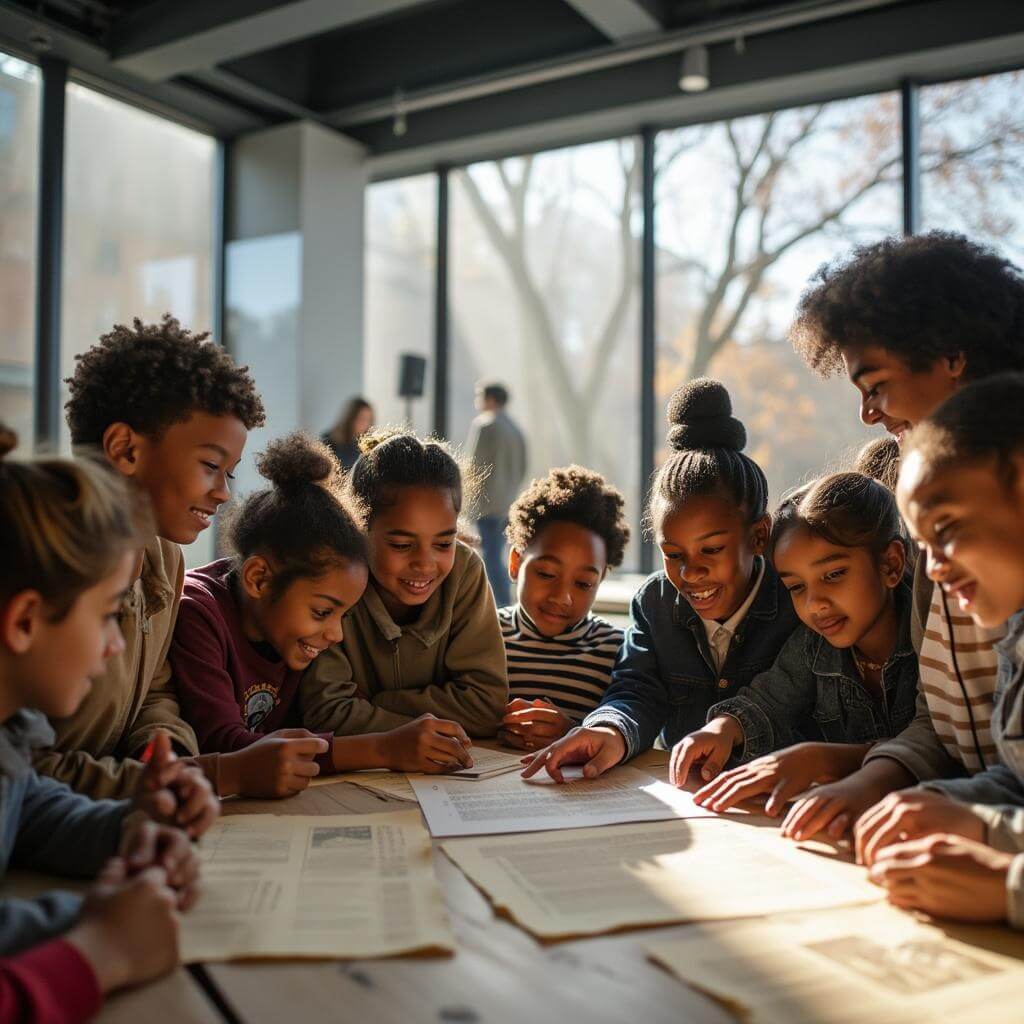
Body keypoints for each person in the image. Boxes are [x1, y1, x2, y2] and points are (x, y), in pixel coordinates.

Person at [786, 231, 1024, 835]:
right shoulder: (931, 540)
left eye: (876, 385)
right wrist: (876, 778)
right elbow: (942, 722)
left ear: (949, 354)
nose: (868, 414)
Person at [0, 429, 202, 1020]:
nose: (117, 645)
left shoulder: (10, 731)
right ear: (26, 621)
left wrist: (127, 829)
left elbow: (27, 808)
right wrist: (101, 934)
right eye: (110, 614)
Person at [173, 432, 500, 790]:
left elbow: (486, 703)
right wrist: (381, 748)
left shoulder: (301, 615)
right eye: (322, 612)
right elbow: (230, 748)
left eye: (443, 542)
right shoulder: (204, 611)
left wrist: (377, 712)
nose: (336, 635)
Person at [36, 314, 264, 821]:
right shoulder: (49, 564)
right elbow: (22, 769)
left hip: (116, 814)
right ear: (126, 450)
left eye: (229, 473)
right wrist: (178, 780)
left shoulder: (165, 558)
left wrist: (167, 759)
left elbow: (157, 691)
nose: (224, 491)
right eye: (210, 465)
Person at [522, 379, 799, 783]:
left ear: (758, 536)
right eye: (673, 555)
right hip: (686, 798)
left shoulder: (796, 600)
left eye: (711, 550)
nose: (690, 573)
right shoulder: (655, 602)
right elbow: (637, 689)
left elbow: (799, 701)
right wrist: (610, 730)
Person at [675, 472, 918, 840]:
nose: (814, 604)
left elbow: (938, 750)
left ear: (891, 564)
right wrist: (723, 729)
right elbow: (768, 701)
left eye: (834, 574)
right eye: (796, 587)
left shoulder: (930, 639)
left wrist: (823, 760)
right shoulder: (812, 645)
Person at [301, 428, 508, 746]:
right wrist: (406, 734)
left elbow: (485, 707)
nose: (425, 565)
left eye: (443, 543)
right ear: (359, 530)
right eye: (401, 544)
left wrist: (376, 702)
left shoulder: (465, 572)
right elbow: (325, 713)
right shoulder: (334, 576)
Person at [498, 466, 629, 751]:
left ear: (601, 580)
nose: (563, 597)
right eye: (546, 574)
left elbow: (623, 733)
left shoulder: (616, 650)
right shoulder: (483, 635)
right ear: (515, 563)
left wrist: (573, 732)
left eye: (583, 583)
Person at [466, 382, 527, 607]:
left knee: (490, 559)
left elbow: (474, 466)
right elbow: (522, 467)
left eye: (479, 396)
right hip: (508, 503)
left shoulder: (485, 425)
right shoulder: (515, 429)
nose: (477, 401)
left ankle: (499, 608)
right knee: (498, 557)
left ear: (490, 399)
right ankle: (505, 604)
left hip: (487, 503)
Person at [321, 397, 374, 472]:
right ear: (350, 418)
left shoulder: (366, 446)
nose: (365, 424)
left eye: (368, 420)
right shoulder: (329, 441)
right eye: (361, 418)